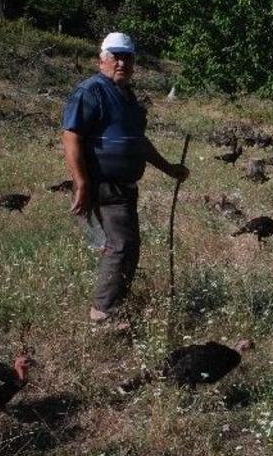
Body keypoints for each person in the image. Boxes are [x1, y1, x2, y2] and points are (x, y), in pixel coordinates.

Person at [61, 32, 188, 323]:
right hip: (103, 186)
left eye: (127, 57)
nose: (121, 63)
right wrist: (81, 184)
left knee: (128, 245)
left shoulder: (128, 97)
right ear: (101, 60)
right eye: (115, 57)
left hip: (125, 187)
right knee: (120, 245)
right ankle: (103, 314)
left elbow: (138, 142)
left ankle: (116, 305)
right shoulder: (91, 91)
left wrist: (169, 168)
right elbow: (71, 138)